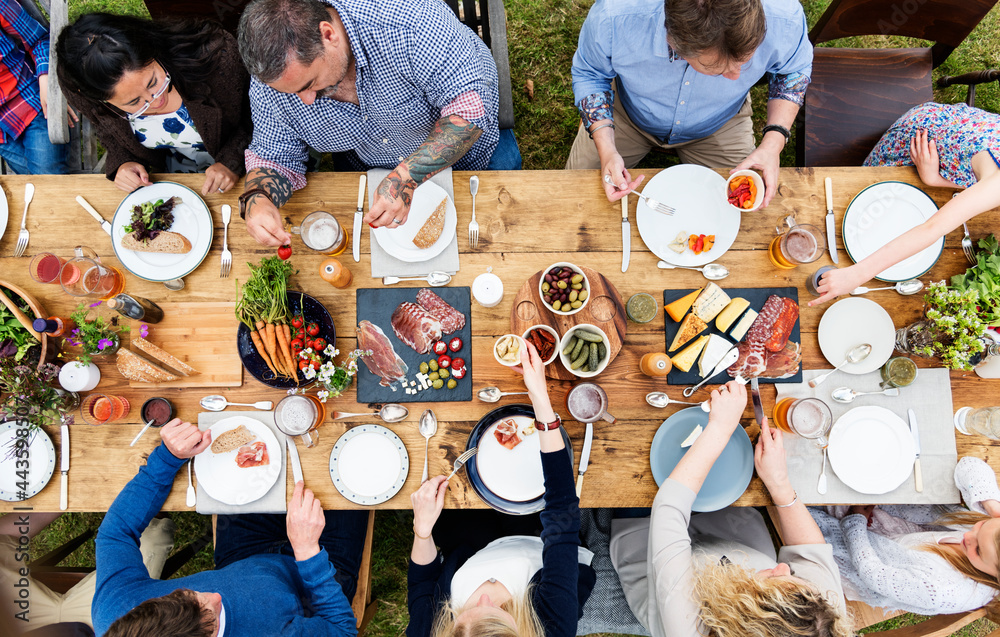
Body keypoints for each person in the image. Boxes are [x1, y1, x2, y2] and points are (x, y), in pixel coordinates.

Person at [235, 0, 516, 246]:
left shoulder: (409, 20)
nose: (306, 100)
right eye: (293, 92)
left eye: (309, 84)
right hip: (368, 167)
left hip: (470, 161)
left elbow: (468, 112)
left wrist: (404, 179)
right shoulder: (271, 83)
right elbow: (274, 156)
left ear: (328, 34)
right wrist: (258, 198)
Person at [610, 382, 851, 637]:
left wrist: (721, 428)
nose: (784, 566)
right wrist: (779, 484)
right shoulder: (821, 622)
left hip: (647, 540)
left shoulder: (686, 627)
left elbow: (668, 510)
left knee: (636, 477)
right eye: (792, 575)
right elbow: (811, 554)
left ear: (744, 614)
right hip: (732, 535)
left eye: (774, 580)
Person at [92, 418, 368, 637]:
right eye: (212, 617)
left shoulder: (118, 613)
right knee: (356, 465)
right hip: (316, 584)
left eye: (190, 592)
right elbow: (342, 631)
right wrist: (308, 552)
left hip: (243, 560)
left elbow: (115, 534)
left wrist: (167, 458)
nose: (215, 594)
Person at [407, 342, 596, 637]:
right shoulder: (553, 625)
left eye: (462, 615)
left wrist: (422, 530)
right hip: (537, 542)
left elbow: (422, 584)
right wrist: (540, 398)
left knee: (449, 512)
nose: (485, 594)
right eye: (500, 611)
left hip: (469, 551)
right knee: (525, 478)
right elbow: (561, 517)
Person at [566, 0, 812, 207]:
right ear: (674, 44)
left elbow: (792, 72)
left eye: (745, 61)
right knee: (572, 195)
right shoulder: (615, 14)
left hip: (721, 122)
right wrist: (606, 148)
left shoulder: (784, 17)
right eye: (717, 69)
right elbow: (591, 74)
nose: (737, 76)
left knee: (747, 214)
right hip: (627, 116)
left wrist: (773, 142)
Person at [811, 101, 1000, 305]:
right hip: (924, 138)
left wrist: (934, 180)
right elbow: (932, 228)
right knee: (869, 187)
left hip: (960, 156)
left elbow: (985, 184)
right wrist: (856, 275)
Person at [55, 13, 252, 196]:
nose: (156, 101)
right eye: (134, 102)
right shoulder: (80, 89)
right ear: (102, 101)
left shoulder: (216, 57)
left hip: (245, 171)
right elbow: (106, 128)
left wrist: (231, 160)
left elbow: (260, 115)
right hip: (170, 179)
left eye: (153, 82)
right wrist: (123, 161)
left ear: (151, 49)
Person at [809, 456, 1000, 614]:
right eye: (981, 526)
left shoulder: (941, 590)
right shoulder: (993, 534)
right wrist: (992, 506)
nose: (968, 536)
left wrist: (855, 520)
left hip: (856, 553)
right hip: (896, 521)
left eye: (978, 550)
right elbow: (969, 465)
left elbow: (873, 574)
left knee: (807, 487)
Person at [0, 512, 174, 635]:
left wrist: (65, 499)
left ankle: (65, 495)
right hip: (100, 628)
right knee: (152, 537)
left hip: (16, 620)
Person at [0, 0, 74, 174]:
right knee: (33, 188)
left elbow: (40, 40)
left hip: (29, 101)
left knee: (46, 180)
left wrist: (47, 83)